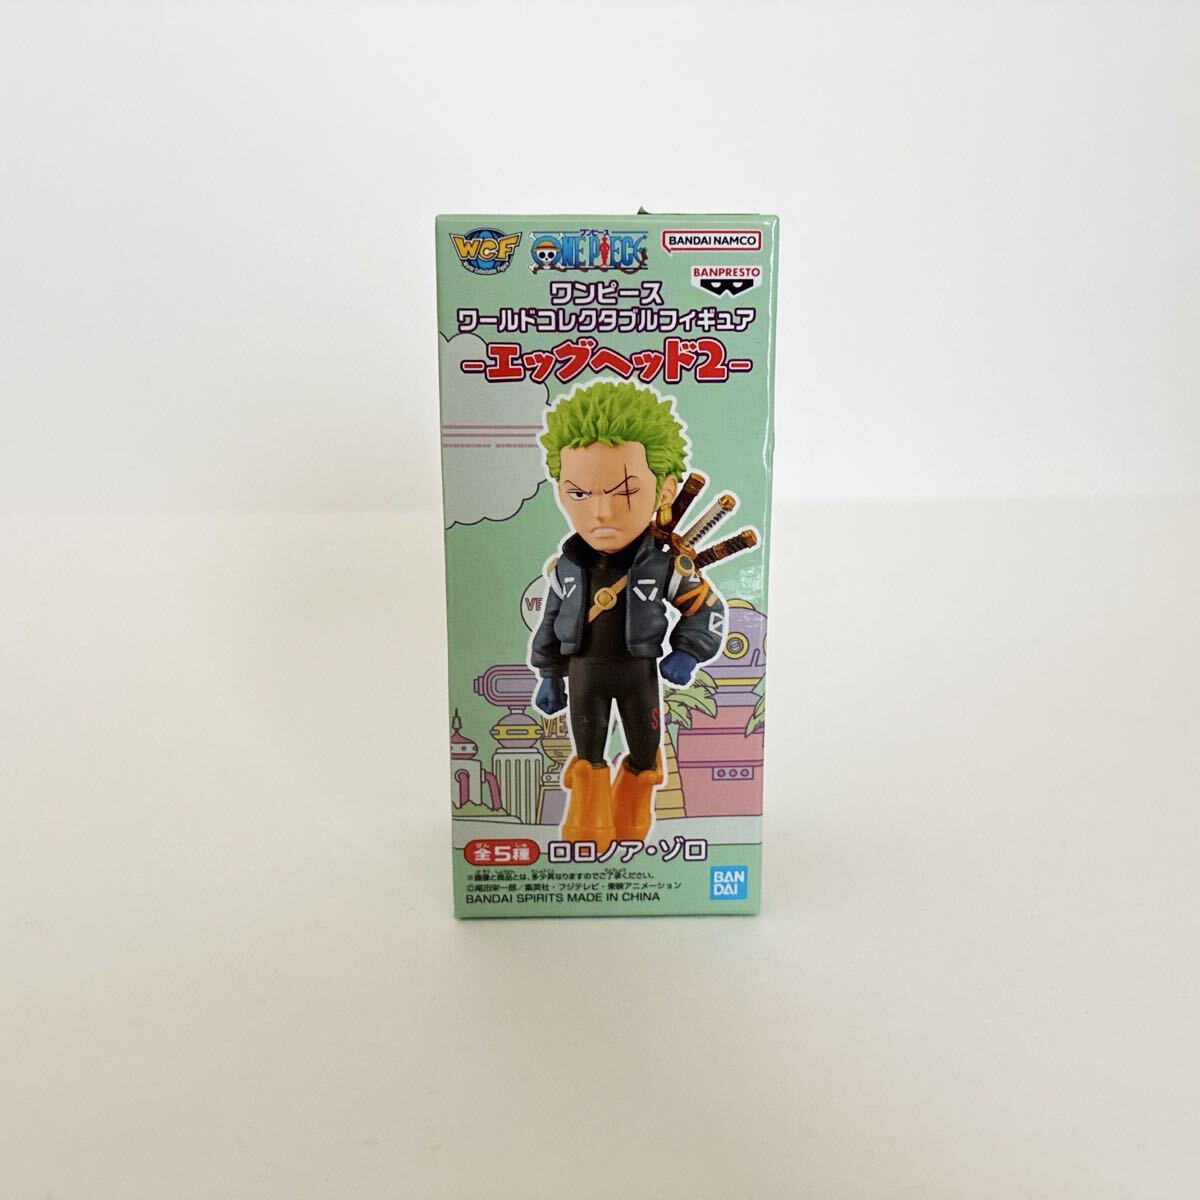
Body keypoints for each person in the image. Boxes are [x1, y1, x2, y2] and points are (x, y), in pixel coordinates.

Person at [529, 380, 726, 853]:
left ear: (666, 490)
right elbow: (551, 621)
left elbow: (707, 608)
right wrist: (549, 672)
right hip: (584, 676)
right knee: (588, 751)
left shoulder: (663, 565)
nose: (601, 512)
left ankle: (632, 814)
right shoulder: (567, 568)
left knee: (643, 750)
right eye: (579, 493)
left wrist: (688, 650)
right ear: (560, 492)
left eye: (624, 492)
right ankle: (588, 823)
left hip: (640, 676)